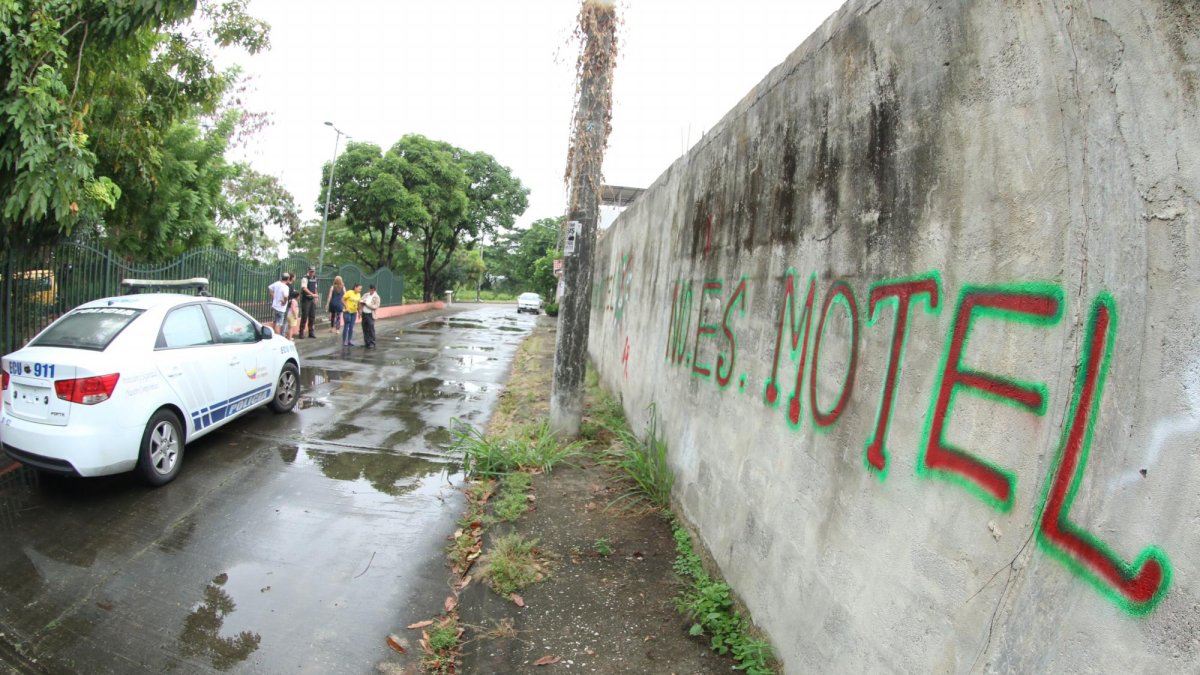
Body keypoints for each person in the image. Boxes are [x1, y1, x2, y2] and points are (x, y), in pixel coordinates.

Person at [297, 267, 319, 338]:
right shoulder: (305, 278)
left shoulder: (315, 278)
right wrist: (312, 294)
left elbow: (315, 288)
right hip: (306, 299)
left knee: (312, 316)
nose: (312, 273)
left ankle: (311, 332)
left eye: (313, 271)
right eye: (311, 271)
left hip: (312, 299)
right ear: (308, 271)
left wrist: (316, 297)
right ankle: (301, 332)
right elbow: (304, 288)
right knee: (305, 316)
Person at [360, 284, 381, 349]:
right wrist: (362, 302)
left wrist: (367, 304)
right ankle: (367, 342)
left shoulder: (376, 297)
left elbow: (376, 306)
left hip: (370, 315)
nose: (370, 291)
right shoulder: (366, 294)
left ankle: (372, 343)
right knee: (365, 328)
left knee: (371, 329)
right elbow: (361, 300)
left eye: (372, 290)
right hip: (364, 313)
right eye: (370, 289)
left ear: (374, 290)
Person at [341, 282, 362, 346]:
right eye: (359, 289)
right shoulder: (349, 292)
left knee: (351, 327)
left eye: (360, 289)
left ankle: (349, 341)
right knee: (346, 326)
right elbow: (342, 300)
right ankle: (344, 341)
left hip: (354, 312)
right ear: (355, 287)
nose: (360, 290)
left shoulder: (359, 294)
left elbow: (358, 304)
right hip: (347, 312)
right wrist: (346, 307)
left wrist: (359, 312)